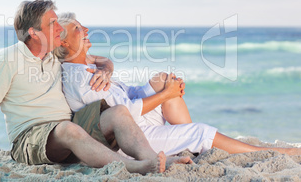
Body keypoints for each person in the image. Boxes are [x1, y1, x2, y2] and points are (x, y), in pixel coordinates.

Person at [0, 0, 193, 174]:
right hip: (31, 140)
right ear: (33, 33)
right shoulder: (6, 61)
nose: (59, 28)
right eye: (52, 24)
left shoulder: (53, 56)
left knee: (118, 112)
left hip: (71, 133)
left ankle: (151, 158)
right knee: (68, 129)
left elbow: (97, 59)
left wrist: (106, 70)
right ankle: (134, 167)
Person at [55, 12, 301, 156]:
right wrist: (165, 95)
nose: (85, 29)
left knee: (163, 81)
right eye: (77, 29)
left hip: (135, 117)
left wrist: (160, 86)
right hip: (130, 136)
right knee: (200, 130)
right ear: (64, 44)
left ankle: (193, 143)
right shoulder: (81, 79)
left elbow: (118, 83)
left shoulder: (85, 64)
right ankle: (267, 152)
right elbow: (124, 114)